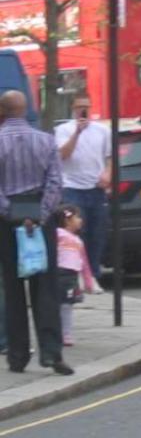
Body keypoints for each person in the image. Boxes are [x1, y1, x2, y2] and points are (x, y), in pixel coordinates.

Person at [0, 90, 74, 375]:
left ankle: (18, 357)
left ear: (2, 111)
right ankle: (52, 354)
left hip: (7, 224)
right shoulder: (46, 141)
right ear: (25, 109)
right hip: (40, 221)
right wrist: (38, 216)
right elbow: (55, 183)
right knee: (46, 288)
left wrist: (13, 214)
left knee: (13, 289)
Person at [55, 94, 111, 283]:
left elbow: (109, 157)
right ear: (73, 108)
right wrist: (77, 133)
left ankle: (93, 273)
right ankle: (77, 272)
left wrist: (108, 174)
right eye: (79, 107)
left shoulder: (102, 130)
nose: (83, 110)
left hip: (95, 188)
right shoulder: (63, 130)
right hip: (72, 187)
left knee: (97, 232)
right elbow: (62, 155)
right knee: (76, 232)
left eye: (86, 106)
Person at [55, 204, 97, 346]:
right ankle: (60, 332)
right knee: (59, 305)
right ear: (67, 220)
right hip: (58, 273)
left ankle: (66, 333)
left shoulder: (78, 241)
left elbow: (84, 263)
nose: (81, 220)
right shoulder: (58, 233)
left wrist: (88, 282)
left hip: (71, 276)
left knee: (67, 306)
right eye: (77, 217)